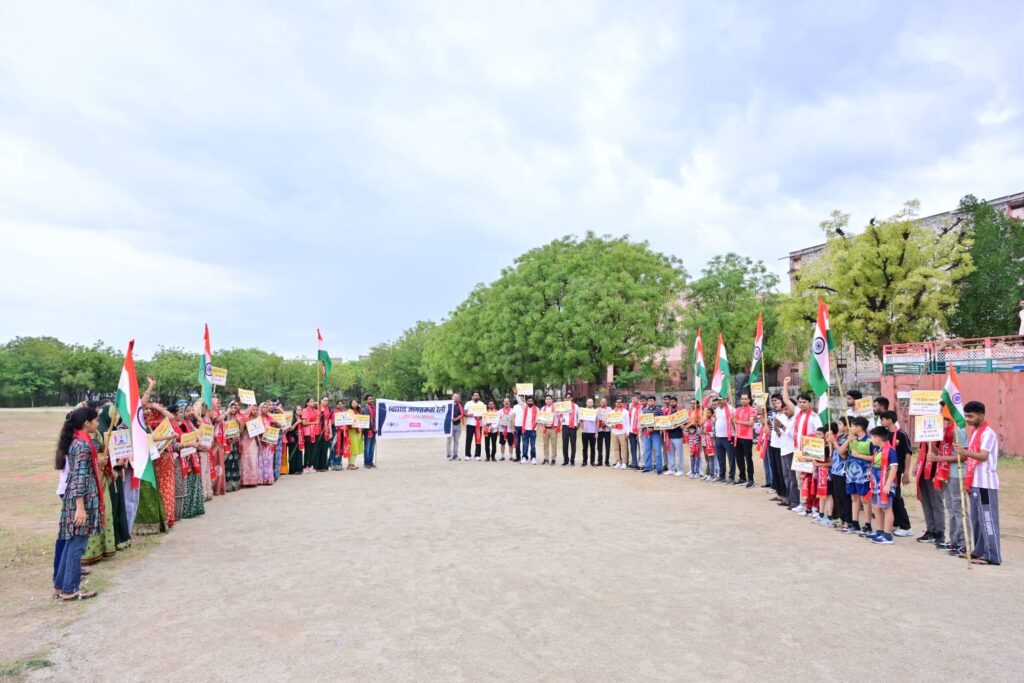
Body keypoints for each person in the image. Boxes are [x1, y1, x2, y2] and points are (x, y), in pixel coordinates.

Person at [54, 406, 102, 601]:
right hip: (82, 500)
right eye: (95, 420)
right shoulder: (82, 445)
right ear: (86, 423)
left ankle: (60, 586)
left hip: (75, 497)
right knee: (78, 545)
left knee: (70, 543)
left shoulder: (77, 441)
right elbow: (80, 477)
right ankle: (70, 589)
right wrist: (81, 508)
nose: (97, 423)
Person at [954, 401, 1001, 565]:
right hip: (974, 482)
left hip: (985, 484)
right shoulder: (974, 432)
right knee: (976, 519)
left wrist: (964, 451)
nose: (967, 419)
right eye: (966, 416)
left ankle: (992, 555)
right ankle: (979, 550)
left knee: (987, 519)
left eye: (971, 416)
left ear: (981, 415)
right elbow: (971, 454)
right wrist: (963, 452)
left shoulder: (988, 434)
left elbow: (983, 456)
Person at [927, 412, 965, 555]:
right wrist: (930, 443)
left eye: (942, 417)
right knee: (950, 508)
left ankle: (963, 543)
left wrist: (938, 459)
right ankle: (954, 541)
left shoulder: (957, 431)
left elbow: (963, 456)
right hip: (945, 472)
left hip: (956, 472)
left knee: (959, 509)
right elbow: (942, 452)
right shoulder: (944, 432)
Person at [781, 378, 821, 513]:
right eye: (800, 402)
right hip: (798, 451)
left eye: (804, 402)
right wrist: (785, 384)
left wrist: (814, 455)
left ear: (810, 403)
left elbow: (819, 434)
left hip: (810, 452)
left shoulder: (814, 417)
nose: (802, 404)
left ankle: (813, 506)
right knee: (800, 479)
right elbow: (786, 399)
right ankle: (803, 503)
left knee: (811, 479)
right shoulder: (798, 413)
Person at [878, 410, 913, 537]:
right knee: (891, 498)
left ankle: (906, 526)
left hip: (896, 472)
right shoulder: (885, 435)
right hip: (885, 471)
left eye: (882, 419)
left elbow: (908, 453)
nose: (881, 422)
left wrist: (906, 472)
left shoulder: (901, 434)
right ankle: (897, 523)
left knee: (897, 498)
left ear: (889, 420)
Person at [914, 420, 947, 545]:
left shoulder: (942, 435)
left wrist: (930, 442)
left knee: (937, 503)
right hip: (923, 471)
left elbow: (941, 453)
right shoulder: (924, 434)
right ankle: (930, 530)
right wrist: (916, 465)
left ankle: (940, 532)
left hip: (935, 472)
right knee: (925, 502)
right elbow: (922, 451)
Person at [866, 425, 900, 544]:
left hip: (885, 484)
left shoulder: (890, 450)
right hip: (876, 484)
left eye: (871, 437)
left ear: (878, 438)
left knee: (886, 508)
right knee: (876, 507)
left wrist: (888, 484)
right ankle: (880, 531)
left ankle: (888, 535)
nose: (870, 440)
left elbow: (894, 468)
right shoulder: (878, 450)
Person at [840, 417, 873, 535]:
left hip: (864, 474)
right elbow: (841, 452)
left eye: (853, 426)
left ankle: (868, 525)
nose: (851, 428)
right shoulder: (852, 439)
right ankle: (855, 523)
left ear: (859, 427)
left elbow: (875, 458)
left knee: (865, 499)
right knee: (854, 498)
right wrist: (848, 440)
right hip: (851, 473)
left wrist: (859, 455)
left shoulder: (870, 440)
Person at [827, 421, 852, 530]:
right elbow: (834, 451)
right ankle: (842, 519)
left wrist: (834, 442)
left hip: (843, 471)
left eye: (841, 424)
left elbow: (843, 454)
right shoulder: (840, 437)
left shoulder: (850, 438)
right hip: (835, 470)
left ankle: (848, 521)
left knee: (844, 497)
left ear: (847, 426)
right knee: (838, 497)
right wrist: (831, 442)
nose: (838, 426)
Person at [732, 393, 756, 487]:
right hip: (737, 436)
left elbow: (751, 423)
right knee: (739, 458)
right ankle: (742, 477)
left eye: (745, 399)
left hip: (747, 437)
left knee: (748, 458)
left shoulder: (752, 410)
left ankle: (751, 479)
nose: (743, 400)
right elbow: (734, 422)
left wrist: (738, 422)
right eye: (742, 399)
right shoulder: (737, 410)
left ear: (749, 400)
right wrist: (732, 420)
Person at [767, 395, 787, 501]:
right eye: (774, 403)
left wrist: (779, 426)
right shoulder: (776, 415)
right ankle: (779, 493)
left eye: (778, 402)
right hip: (773, 445)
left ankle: (785, 494)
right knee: (774, 470)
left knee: (781, 472)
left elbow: (784, 433)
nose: (775, 404)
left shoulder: (786, 416)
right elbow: (775, 431)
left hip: (781, 447)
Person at [712, 396, 735, 483]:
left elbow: (735, 422)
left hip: (728, 437)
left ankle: (731, 477)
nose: (719, 401)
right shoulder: (717, 409)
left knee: (731, 458)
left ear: (726, 400)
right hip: (718, 437)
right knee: (720, 457)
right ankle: (722, 476)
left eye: (721, 400)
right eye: (718, 400)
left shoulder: (731, 409)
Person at [223, 401, 242, 491]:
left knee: (235, 462)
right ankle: (228, 484)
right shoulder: (225, 418)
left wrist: (240, 423)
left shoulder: (237, 418)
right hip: (227, 443)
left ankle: (235, 483)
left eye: (235, 408)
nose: (233, 409)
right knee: (228, 463)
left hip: (235, 443)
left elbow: (241, 432)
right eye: (231, 407)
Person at [641, 395, 663, 474]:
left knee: (657, 451)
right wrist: (644, 429)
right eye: (649, 401)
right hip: (646, 434)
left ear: (655, 401)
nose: (650, 402)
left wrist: (653, 428)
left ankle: (659, 468)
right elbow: (642, 422)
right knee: (647, 451)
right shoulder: (645, 411)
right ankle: (648, 467)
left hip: (655, 434)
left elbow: (661, 422)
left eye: (651, 401)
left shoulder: (659, 410)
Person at [665, 396, 684, 477]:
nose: (672, 403)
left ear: (676, 402)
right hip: (669, 435)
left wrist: (682, 425)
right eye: (671, 402)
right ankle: (671, 469)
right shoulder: (667, 411)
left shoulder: (680, 411)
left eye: (673, 402)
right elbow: (664, 421)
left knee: (679, 454)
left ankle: (680, 470)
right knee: (670, 453)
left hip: (678, 435)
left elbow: (684, 422)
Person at [464, 391, 485, 461]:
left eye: (477, 395)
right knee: (468, 440)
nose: (476, 396)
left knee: (478, 439)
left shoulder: (481, 404)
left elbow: (484, 413)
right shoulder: (468, 403)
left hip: (479, 425)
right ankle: (467, 455)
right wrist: (468, 415)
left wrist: (481, 416)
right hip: (470, 424)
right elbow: (464, 413)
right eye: (475, 395)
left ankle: (477, 455)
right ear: (472, 397)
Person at [539, 395, 559, 466]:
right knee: (545, 444)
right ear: (545, 401)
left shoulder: (556, 407)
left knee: (554, 444)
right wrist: (541, 423)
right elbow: (540, 418)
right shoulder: (543, 408)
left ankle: (553, 459)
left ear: (552, 400)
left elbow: (560, 416)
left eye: (549, 399)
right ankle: (546, 458)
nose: (548, 400)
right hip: (545, 428)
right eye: (546, 399)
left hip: (553, 428)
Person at [610, 398, 630, 469]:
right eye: (617, 402)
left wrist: (627, 432)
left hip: (622, 432)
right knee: (616, 448)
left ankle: (624, 462)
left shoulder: (625, 412)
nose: (618, 403)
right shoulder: (612, 412)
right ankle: (618, 462)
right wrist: (611, 425)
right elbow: (609, 421)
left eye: (620, 402)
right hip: (614, 432)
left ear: (622, 403)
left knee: (624, 448)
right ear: (615, 403)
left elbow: (628, 422)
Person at [300, 398, 319, 472]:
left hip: (315, 432)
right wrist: (314, 423)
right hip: (307, 433)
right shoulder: (305, 410)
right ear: (307, 403)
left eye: (313, 401)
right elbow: (304, 423)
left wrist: (314, 422)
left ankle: (311, 465)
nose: (312, 403)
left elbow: (318, 421)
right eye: (310, 402)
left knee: (313, 450)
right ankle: (305, 466)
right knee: (307, 449)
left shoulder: (316, 411)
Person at [561, 393, 579, 466]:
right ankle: (566, 460)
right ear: (565, 398)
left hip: (573, 427)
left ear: (571, 398)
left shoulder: (576, 406)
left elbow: (579, 415)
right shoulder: (562, 406)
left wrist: (578, 424)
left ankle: (572, 460)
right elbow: (559, 415)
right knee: (565, 444)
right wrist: (561, 420)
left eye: (569, 397)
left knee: (573, 444)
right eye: (566, 397)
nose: (568, 398)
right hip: (565, 426)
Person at [316, 397, 333, 472]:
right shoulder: (317, 408)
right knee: (318, 448)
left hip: (326, 430)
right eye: (324, 400)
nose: (326, 402)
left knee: (325, 448)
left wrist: (331, 432)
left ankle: (324, 465)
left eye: (327, 400)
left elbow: (329, 421)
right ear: (321, 401)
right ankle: (317, 466)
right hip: (318, 430)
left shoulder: (329, 409)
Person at [520, 395, 539, 464]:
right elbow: (520, 402)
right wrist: (516, 395)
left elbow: (538, 419)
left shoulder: (537, 409)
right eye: (528, 401)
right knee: (525, 445)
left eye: (531, 401)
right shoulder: (524, 407)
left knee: (533, 445)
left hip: (533, 430)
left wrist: (536, 427)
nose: (530, 402)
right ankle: (524, 457)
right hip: (525, 430)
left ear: (533, 402)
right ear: (526, 402)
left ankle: (533, 458)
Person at [287, 405, 304, 474]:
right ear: (295, 411)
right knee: (293, 453)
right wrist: (297, 422)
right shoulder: (292, 418)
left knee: (299, 453)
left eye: (300, 410)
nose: (300, 411)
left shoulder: (301, 418)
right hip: (293, 438)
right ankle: (293, 470)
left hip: (300, 438)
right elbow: (290, 429)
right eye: (298, 410)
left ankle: (299, 469)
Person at [347, 399, 364, 469]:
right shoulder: (350, 411)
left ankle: (352, 464)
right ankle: (350, 464)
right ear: (350, 404)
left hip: (359, 432)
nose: (354, 403)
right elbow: (350, 421)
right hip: (352, 431)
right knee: (353, 448)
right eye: (353, 402)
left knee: (356, 447)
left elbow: (362, 420)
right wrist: (357, 426)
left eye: (355, 402)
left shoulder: (358, 411)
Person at [627, 392, 643, 469]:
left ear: (638, 399)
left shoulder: (641, 407)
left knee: (641, 448)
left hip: (639, 431)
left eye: (635, 399)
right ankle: (634, 463)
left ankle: (640, 463)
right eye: (632, 399)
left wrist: (639, 431)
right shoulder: (631, 407)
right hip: (631, 430)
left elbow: (641, 420)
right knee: (633, 447)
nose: (633, 400)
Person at [580, 398, 597, 467]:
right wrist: (582, 426)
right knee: (584, 448)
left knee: (592, 448)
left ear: (593, 403)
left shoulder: (595, 411)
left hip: (592, 432)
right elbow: (580, 420)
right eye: (588, 402)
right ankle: (584, 461)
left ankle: (592, 462)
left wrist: (596, 432)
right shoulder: (583, 411)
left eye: (590, 402)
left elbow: (597, 422)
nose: (589, 403)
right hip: (584, 432)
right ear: (586, 403)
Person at [596, 398, 612, 466]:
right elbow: (596, 420)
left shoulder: (609, 409)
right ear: (600, 402)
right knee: (599, 446)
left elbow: (611, 418)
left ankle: (607, 461)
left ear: (606, 402)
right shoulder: (597, 409)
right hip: (599, 430)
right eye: (602, 401)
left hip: (607, 430)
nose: (603, 403)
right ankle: (599, 461)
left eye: (604, 401)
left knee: (607, 446)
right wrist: (596, 431)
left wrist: (606, 423)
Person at [447, 393, 463, 461]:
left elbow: (462, 414)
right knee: (449, 441)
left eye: (457, 397)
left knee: (456, 441)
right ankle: (449, 455)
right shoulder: (448, 405)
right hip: (450, 426)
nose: (456, 398)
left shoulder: (460, 405)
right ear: (452, 397)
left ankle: (455, 455)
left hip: (458, 426)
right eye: (454, 396)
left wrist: (456, 418)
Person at [363, 394, 377, 468]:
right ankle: (366, 462)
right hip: (368, 430)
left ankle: (371, 462)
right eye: (369, 399)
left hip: (374, 430)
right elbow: (367, 419)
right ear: (366, 400)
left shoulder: (374, 408)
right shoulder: (366, 408)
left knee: (372, 447)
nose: (371, 400)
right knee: (367, 447)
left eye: (372, 399)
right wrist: (373, 428)